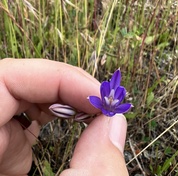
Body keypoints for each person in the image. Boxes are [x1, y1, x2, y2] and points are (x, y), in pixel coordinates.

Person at [0, 58, 129, 175]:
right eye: (109, 98)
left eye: (113, 100)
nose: (110, 100)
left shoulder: (115, 105)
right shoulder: (95, 102)